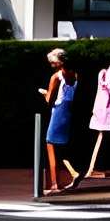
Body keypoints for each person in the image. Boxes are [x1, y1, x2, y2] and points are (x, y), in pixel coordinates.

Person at [38, 48, 84, 194]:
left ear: (59, 62)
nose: (51, 65)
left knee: (50, 145)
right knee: (60, 148)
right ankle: (74, 172)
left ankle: (54, 185)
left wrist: (44, 93)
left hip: (58, 112)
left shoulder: (56, 77)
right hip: (68, 112)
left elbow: (49, 100)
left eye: (53, 63)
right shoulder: (75, 74)